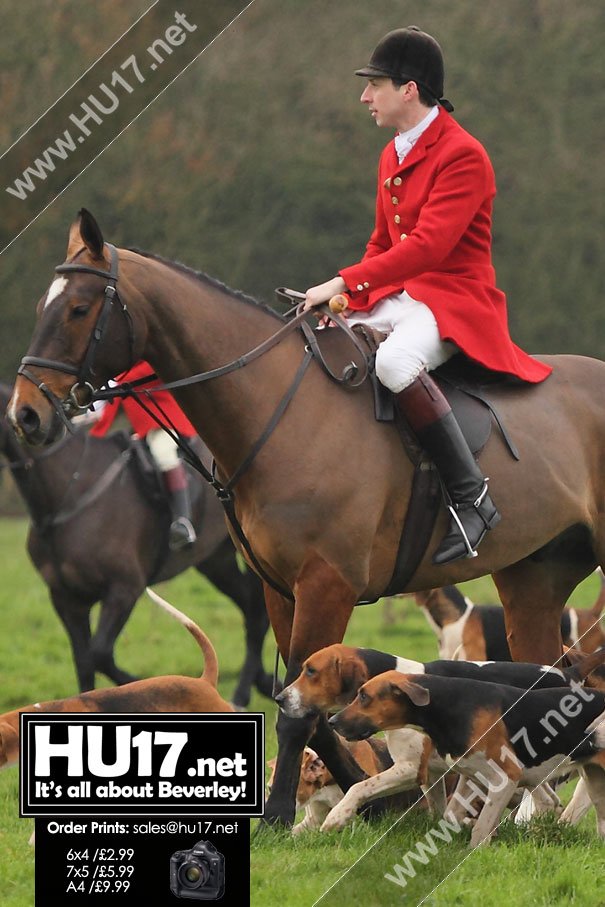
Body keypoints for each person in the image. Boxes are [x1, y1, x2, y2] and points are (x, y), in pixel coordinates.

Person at [304, 25, 551, 565]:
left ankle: (473, 497)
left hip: (456, 301)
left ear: (409, 89)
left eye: (375, 85)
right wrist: (345, 302)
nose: (365, 97)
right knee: (333, 342)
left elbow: (429, 247)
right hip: (406, 293)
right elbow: (382, 243)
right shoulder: (392, 154)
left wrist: (345, 282)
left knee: (392, 362)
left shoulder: (464, 156)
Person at [90, 360, 198, 551]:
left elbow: (154, 366)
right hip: (136, 416)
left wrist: (118, 380)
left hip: (164, 415)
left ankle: (183, 520)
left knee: (163, 452)